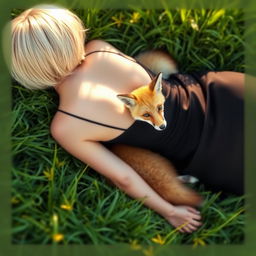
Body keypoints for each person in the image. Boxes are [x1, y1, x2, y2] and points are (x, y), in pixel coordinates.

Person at [8, 4, 244, 234]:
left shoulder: (67, 126)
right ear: (70, 33)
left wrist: (170, 211)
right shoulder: (98, 49)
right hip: (221, 90)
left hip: (217, 154)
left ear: (26, 71)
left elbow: (124, 177)